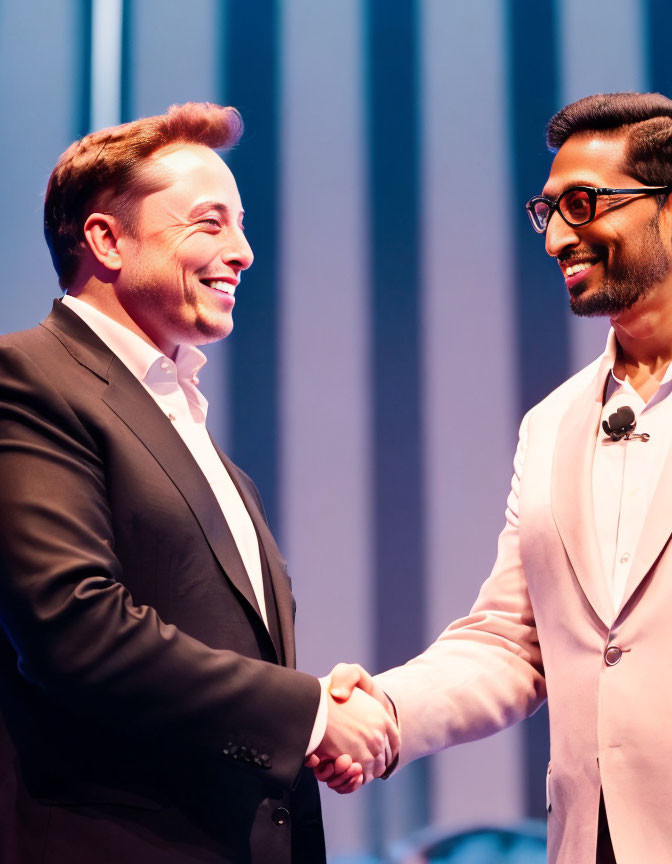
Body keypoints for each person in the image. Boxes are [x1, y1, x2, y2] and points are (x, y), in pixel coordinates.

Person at [0, 103, 398, 864]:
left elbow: (211, 647)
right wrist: (308, 713)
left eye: (241, 225)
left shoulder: (196, 438)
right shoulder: (28, 380)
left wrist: (307, 717)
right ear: (106, 240)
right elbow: (73, 629)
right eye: (210, 224)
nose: (243, 252)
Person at [315, 91, 672, 864]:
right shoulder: (552, 424)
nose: (558, 241)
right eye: (549, 214)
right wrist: (385, 710)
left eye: (583, 204)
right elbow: (514, 641)